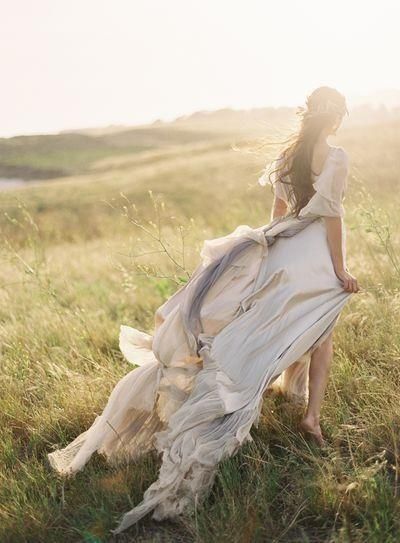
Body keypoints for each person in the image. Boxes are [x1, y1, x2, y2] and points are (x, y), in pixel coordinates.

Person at [47, 86, 359, 535]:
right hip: (310, 251)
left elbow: (275, 211)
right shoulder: (337, 156)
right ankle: (309, 414)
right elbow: (332, 216)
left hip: (276, 244)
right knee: (320, 328)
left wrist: (261, 250)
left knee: (269, 327)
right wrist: (340, 269)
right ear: (336, 117)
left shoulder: (288, 155)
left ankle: (289, 394)